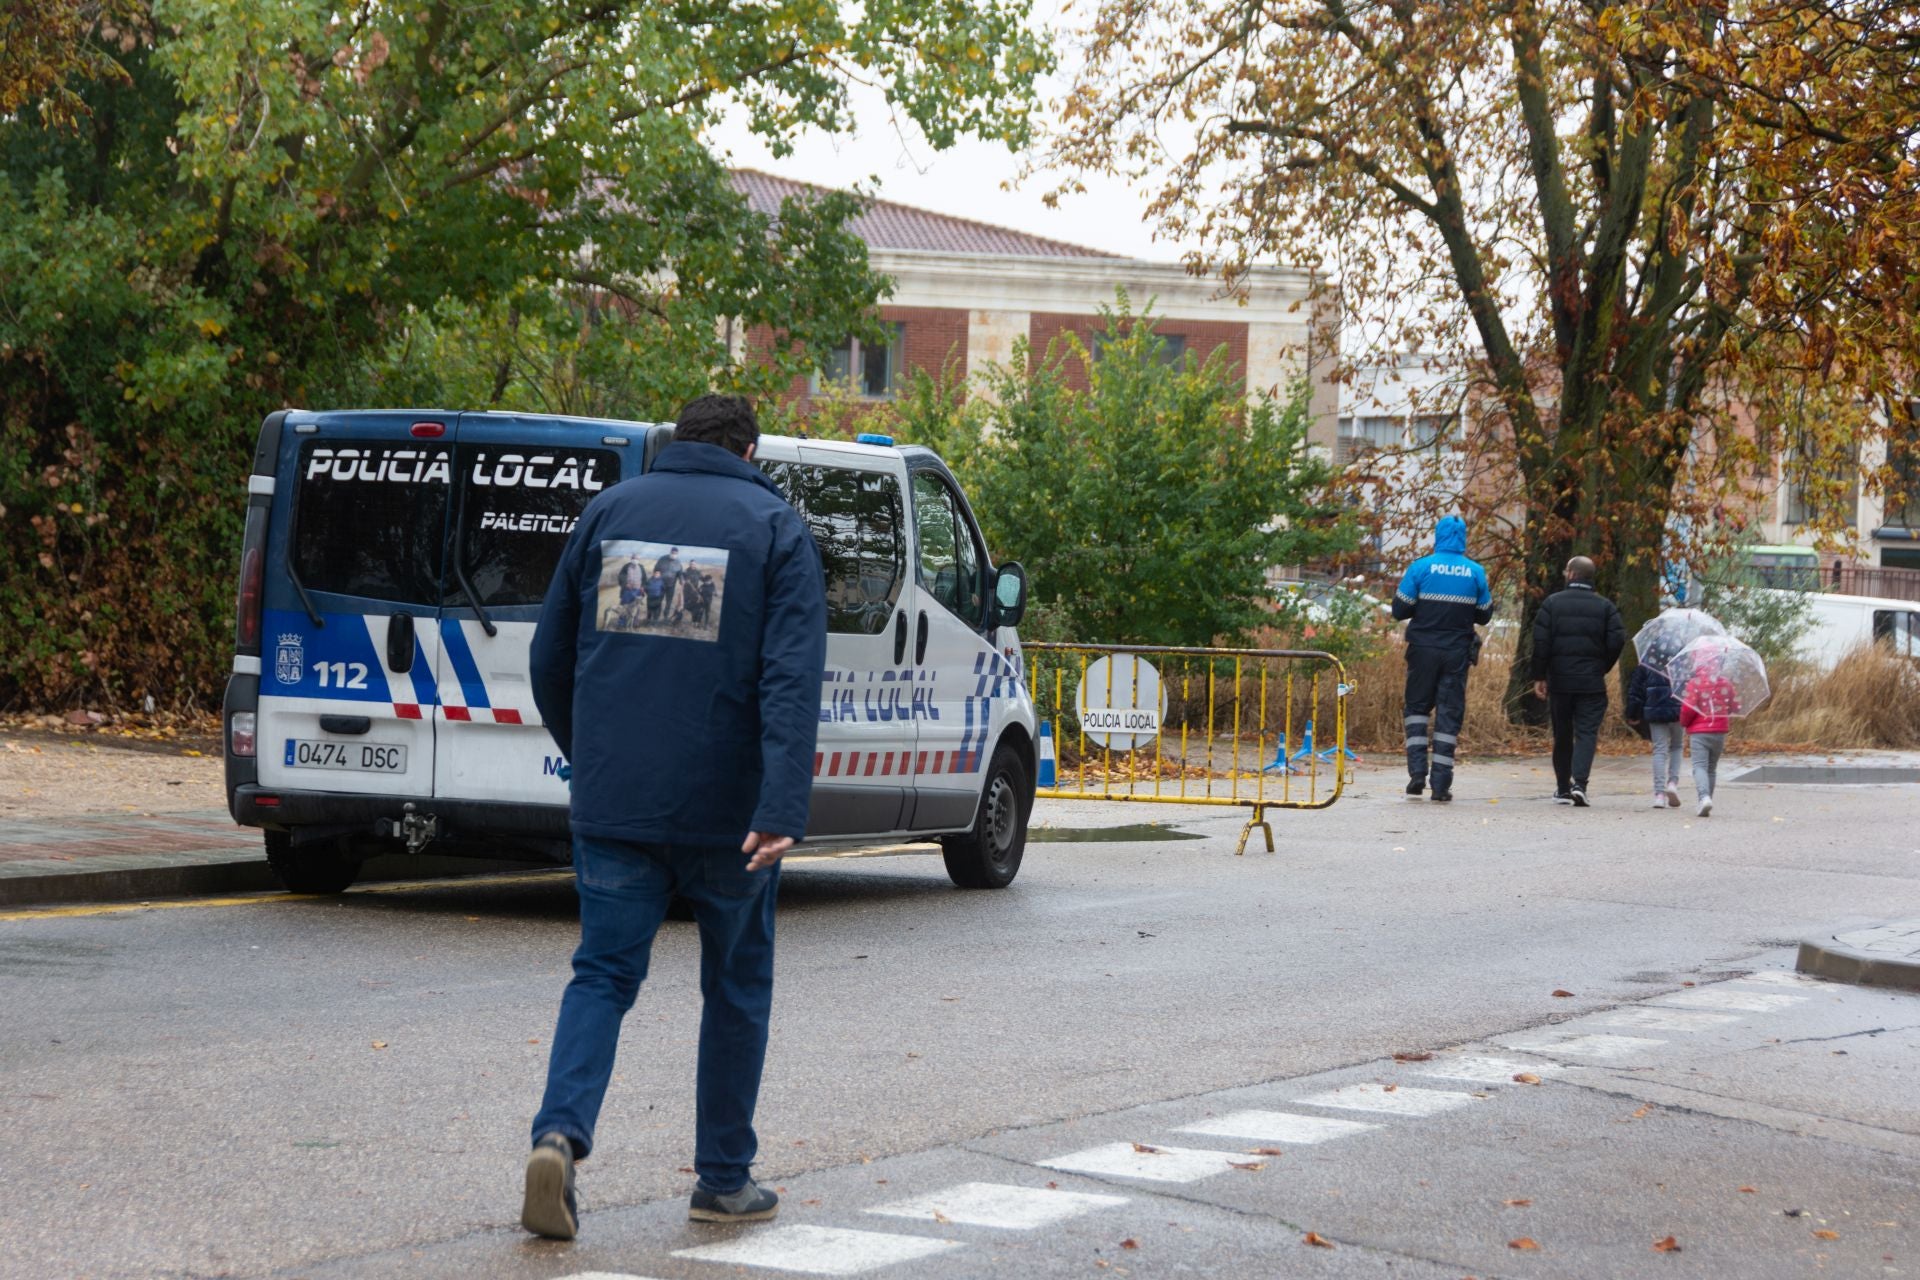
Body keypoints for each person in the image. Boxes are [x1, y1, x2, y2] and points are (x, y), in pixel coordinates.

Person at [522, 393, 827, 1240]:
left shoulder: (609, 513)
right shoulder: (776, 529)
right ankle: (722, 1180)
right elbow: (790, 678)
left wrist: (595, 756)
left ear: (675, 443)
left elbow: (549, 657)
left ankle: (558, 1136)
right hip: (732, 815)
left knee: (602, 975)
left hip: (616, 801)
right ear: (749, 451)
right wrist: (781, 804)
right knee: (735, 986)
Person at [1390, 515, 1493, 802]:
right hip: (1456, 653)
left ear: (1438, 536)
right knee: (1448, 715)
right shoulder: (1475, 571)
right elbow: (1485, 614)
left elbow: (1399, 609)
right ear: (1463, 538)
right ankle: (1440, 785)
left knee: (1416, 710)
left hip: (1422, 650)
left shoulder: (1420, 567)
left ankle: (1416, 774)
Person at [1530, 556, 1626, 806]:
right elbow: (1617, 640)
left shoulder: (1552, 604)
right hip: (1592, 683)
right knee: (1586, 733)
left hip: (1560, 682)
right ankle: (1580, 784)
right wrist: (1602, 666)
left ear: (1572, 574)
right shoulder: (1605, 607)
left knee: (1562, 734)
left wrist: (1540, 675)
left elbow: (1541, 642)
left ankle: (1563, 789)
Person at [1624, 651, 1683, 809]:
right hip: (1677, 709)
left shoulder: (1647, 658)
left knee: (1659, 750)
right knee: (1677, 746)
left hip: (1654, 709)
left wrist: (1633, 712)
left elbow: (1636, 689)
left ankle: (1659, 795)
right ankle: (1672, 783)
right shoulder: (1682, 656)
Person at [1679, 660, 1737, 817]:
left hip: (1699, 732)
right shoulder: (1726, 683)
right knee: (1711, 768)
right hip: (1719, 731)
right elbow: (1734, 706)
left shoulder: (1694, 683)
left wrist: (1684, 723)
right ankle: (1706, 800)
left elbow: (1688, 708)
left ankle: (1704, 798)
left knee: (1699, 766)